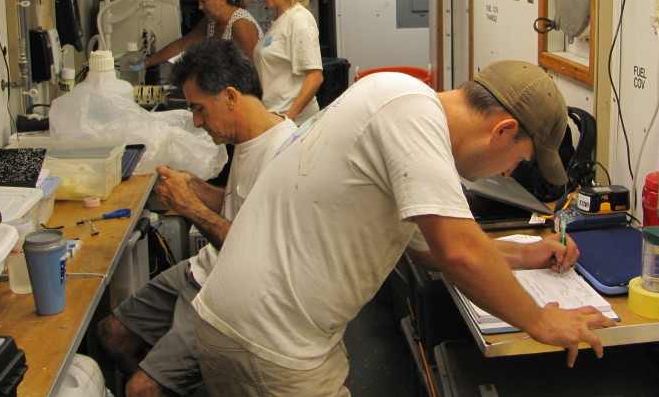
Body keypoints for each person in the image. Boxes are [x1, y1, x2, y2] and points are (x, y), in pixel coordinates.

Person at [193, 61, 617, 396]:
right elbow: (459, 253)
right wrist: (540, 321)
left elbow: (423, 248)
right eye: (518, 160)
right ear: (503, 129)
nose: (509, 174)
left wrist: (524, 254)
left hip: (260, 329)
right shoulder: (412, 114)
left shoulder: (400, 99)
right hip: (267, 343)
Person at [97, 39, 296, 397]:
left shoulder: (282, 155)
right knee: (111, 333)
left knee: (141, 389)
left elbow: (254, 255)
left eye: (200, 109)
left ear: (231, 97)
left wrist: (190, 207)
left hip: (231, 289)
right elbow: (238, 205)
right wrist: (196, 186)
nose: (196, 121)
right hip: (204, 268)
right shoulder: (249, 139)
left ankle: (162, 381)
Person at [240, 0, 323, 125]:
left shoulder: (299, 19)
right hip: (274, 118)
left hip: (296, 124)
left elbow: (315, 76)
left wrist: (287, 119)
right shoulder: (278, 21)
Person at [145, 0, 263, 68]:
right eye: (199, 1)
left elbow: (256, 67)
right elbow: (181, 46)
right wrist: (145, 63)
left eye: (204, 1)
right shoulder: (210, 21)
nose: (200, 7)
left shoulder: (241, 24)